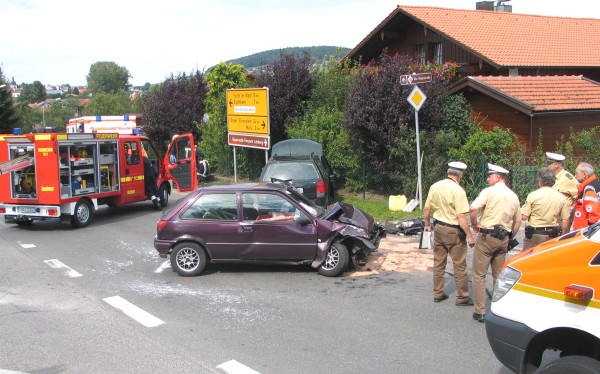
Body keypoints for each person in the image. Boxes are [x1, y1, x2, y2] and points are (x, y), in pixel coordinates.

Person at [469, 164, 522, 323]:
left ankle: (480, 311)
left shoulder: (488, 192)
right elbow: (518, 221)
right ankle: (500, 308)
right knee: (498, 275)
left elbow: (473, 208)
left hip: (487, 236)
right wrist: (510, 234)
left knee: (478, 274)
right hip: (503, 238)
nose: (487, 178)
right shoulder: (513, 195)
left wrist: (474, 225)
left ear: (498, 177)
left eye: (490, 176)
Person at [423, 161, 476, 306]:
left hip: (438, 227)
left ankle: (438, 293)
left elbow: (427, 209)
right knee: (459, 264)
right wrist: (470, 236)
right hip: (453, 230)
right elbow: (461, 217)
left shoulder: (435, 186)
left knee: (438, 263)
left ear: (448, 172)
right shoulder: (458, 191)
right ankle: (462, 297)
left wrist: (427, 225)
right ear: (460, 175)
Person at [521, 167, 570, 250]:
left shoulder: (533, 195)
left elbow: (524, 217)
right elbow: (565, 220)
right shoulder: (561, 197)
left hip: (535, 235)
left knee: (529, 259)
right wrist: (562, 235)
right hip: (552, 235)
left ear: (540, 181)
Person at [572, 162, 600, 230]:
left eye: (577, 173)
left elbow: (593, 214)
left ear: (585, 174)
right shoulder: (597, 184)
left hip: (586, 231)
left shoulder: (589, 189)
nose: (575, 176)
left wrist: (590, 232)